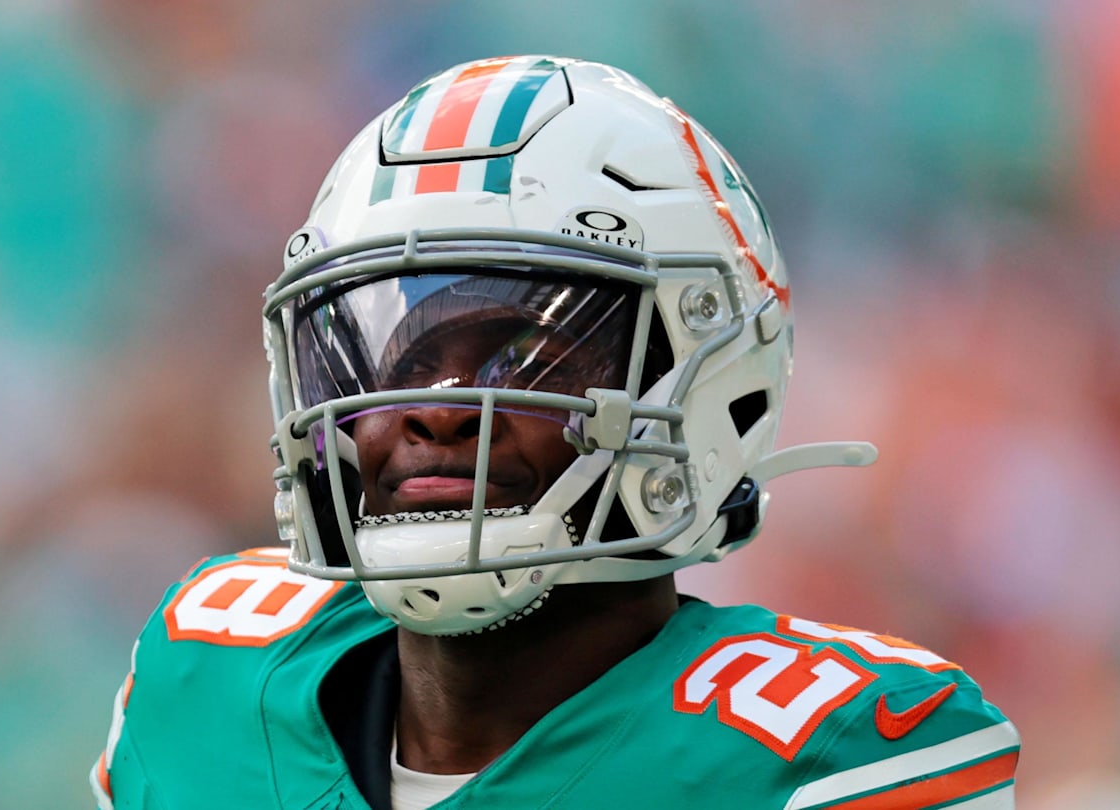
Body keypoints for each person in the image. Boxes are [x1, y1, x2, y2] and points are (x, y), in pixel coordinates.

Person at [91, 55, 1019, 809]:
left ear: (706, 378)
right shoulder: (203, 681)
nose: (438, 407)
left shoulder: (837, 754)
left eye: (525, 358)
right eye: (394, 361)